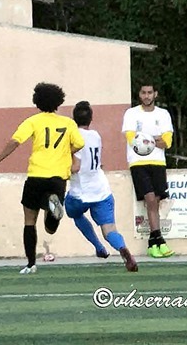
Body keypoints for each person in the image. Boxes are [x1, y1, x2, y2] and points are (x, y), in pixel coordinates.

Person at [0, 82, 84, 274]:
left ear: (37, 101)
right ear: (58, 101)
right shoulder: (68, 123)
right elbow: (80, 143)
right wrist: (65, 153)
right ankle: (52, 208)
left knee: (29, 220)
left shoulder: (33, 121)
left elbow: (15, 141)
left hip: (36, 174)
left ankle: (31, 263)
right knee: (50, 228)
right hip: (58, 177)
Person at [66, 101, 138, 272]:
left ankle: (98, 247)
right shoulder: (96, 135)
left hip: (80, 192)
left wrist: (61, 170)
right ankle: (122, 249)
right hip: (101, 190)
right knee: (109, 229)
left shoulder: (73, 137)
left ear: (73, 118)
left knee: (74, 213)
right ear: (91, 119)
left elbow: (75, 167)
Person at [121, 83, 175, 259]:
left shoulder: (163, 114)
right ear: (139, 94)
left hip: (158, 162)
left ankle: (154, 243)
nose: (146, 96)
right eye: (143, 93)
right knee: (150, 199)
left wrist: (146, 138)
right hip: (138, 162)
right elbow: (133, 140)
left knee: (156, 202)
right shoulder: (131, 114)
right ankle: (159, 240)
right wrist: (154, 138)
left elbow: (167, 141)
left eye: (150, 92)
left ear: (155, 94)